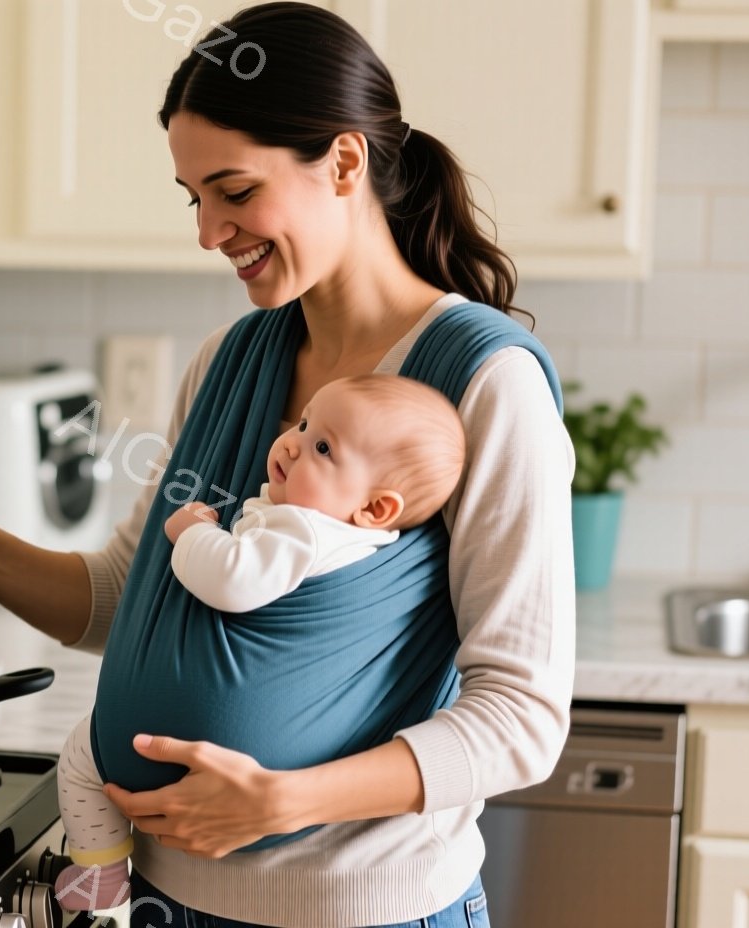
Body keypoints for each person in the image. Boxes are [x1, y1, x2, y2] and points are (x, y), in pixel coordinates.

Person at [0, 3, 575, 926]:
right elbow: (124, 596)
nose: (208, 232)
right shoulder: (230, 360)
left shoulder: (484, 385)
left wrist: (288, 801)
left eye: (234, 191)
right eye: (194, 198)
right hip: (161, 902)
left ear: (344, 163)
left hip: (370, 913)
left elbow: (523, 719)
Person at [49, 374, 467, 909]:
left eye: (322, 447)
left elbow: (234, 581)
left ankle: (101, 872)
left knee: (81, 755)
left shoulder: (307, 530)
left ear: (376, 508)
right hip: (191, 882)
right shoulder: (348, 531)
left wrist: (192, 532)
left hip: (342, 889)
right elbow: (120, 586)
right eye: (303, 422)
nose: (292, 441)